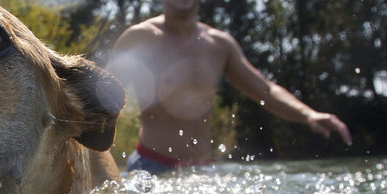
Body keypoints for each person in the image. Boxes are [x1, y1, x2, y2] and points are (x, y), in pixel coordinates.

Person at [107, 0, 352, 174]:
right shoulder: (139, 38)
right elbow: (102, 97)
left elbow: (265, 90)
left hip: (202, 172)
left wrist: (309, 114)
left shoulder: (219, 44)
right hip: (150, 169)